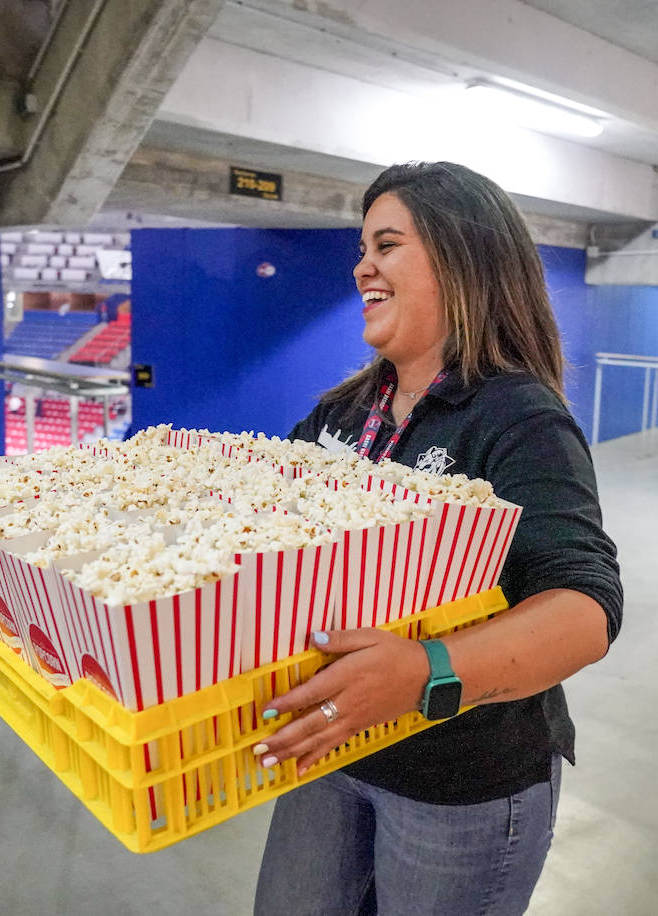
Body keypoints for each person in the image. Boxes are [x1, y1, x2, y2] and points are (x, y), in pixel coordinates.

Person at [250, 162, 623, 916]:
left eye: (387, 245)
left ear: (461, 261)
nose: (362, 267)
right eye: (362, 249)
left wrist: (426, 671)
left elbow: (585, 611)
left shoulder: (518, 419)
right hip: (334, 744)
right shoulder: (342, 414)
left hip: (461, 782)